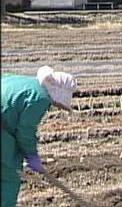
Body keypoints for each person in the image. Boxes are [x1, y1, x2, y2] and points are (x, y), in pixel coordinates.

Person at [1, 66, 77, 207]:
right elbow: (25, 132)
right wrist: (31, 155)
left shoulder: (27, 83)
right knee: (8, 178)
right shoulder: (40, 98)